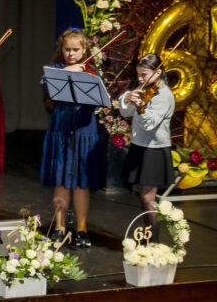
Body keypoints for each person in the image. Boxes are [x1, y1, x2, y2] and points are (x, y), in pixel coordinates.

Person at [40, 29, 107, 248]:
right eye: (67, 49)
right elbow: (47, 90)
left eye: (76, 50)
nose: (71, 54)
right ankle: (59, 227)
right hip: (61, 129)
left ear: (84, 49)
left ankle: (81, 229)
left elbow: (99, 102)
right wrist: (69, 71)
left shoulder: (92, 73)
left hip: (84, 131)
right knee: (61, 181)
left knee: (81, 183)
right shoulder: (55, 70)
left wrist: (86, 76)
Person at [118, 53, 175, 241]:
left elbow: (150, 123)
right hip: (140, 145)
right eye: (138, 75)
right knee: (142, 196)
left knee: (147, 198)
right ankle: (149, 235)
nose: (140, 79)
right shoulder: (145, 89)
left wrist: (141, 107)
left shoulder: (164, 96)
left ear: (158, 72)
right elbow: (125, 111)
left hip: (155, 149)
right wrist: (126, 99)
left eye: (144, 75)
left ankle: (154, 239)